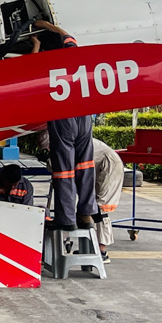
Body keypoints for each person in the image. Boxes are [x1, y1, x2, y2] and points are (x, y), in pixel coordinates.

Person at [30, 19, 96, 232]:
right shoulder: (72, 52)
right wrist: (48, 25)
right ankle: (86, 213)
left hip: (62, 117)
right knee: (85, 164)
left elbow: (28, 71)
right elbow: (67, 34)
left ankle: (67, 218)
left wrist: (35, 45)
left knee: (64, 168)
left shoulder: (46, 62)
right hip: (84, 115)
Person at [91, 138, 125, 261]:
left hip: (109, 167)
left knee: (101, 209)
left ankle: (102, 251)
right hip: (100, 168)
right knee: (92, 206)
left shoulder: (73, 142)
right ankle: (93, 247)